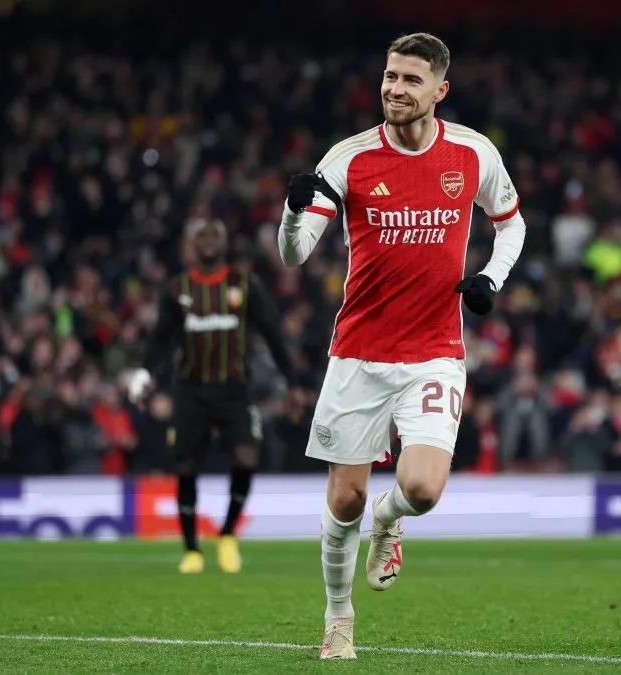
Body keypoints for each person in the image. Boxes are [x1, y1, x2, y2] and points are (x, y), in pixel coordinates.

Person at [278, 33, 526, 659]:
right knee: (344, 498)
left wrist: (491, 278)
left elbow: (512, 223)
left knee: (421, 490)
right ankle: (339, 619)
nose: (395, 88)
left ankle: (388, 524)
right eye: (390, 76)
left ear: (440, 90)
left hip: (435, 351)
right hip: (359, 351)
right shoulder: (351, 159)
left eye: (411, 80)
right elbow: (295, 254)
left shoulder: (472, 153)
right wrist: (291, 213)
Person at [128, 218, 301, 574]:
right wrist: (144, 372)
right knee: (186, 466)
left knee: (246, 456)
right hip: (191, 390)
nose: (208, 241)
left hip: (235, 388)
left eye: (214, 235)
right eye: (201, 236)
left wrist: (293, 382)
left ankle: (226, 535)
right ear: (192, 244)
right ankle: (191, 549)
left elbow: (272, 334)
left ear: (224, 244)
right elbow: (161, 338)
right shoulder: (178, 289)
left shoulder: (244, 285)